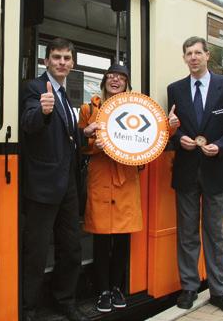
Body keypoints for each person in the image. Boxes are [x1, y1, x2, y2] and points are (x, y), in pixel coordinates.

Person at [166, 36, 223, 316]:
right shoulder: (174, 89)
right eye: (188, 53)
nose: (193, 57)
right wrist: (178, 137)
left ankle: (219, 291)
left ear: (207, 55)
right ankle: (189, 287)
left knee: (215, 234)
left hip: (216, 170)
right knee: (187, 234)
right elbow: (172, 130)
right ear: (184, 58)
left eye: (198, 52)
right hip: (186, 171)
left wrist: (220, 146)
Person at [20, 37, 98, 321]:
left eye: (66, 58)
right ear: (46, 61)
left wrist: (85, 133)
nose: (61, 62)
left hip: (68, 185)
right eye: (56, 57)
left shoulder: (65, 94)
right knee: (36, 251)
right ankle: (27, 309)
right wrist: (42, 111)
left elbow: (65, 136)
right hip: (42, 186)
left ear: (72, 63)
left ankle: (64, 300)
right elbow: (29, 124)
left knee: (71, 247)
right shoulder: (36, 88)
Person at [77, 64, 143, 313]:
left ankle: (117, 287)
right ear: (104, 81)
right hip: (100, 178)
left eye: (121, 77)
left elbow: (147, 143)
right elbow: (80, 143)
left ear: (127, 83)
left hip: (125, 179)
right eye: (111, 76)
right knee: (102, 238)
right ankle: (102, 290)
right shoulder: (88, 109)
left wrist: (171, 126)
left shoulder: (137, 110)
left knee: (123, 239)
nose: (116, 80)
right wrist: (95, 146)